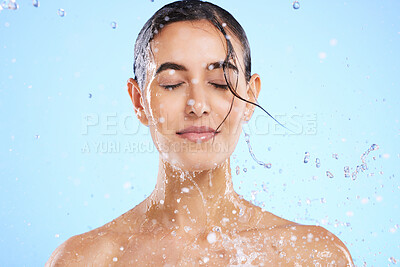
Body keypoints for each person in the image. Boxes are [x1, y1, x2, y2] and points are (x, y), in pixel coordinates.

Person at [46, 0, 354, 265]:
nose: (197, 105)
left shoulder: (312, 256)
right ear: (139, 101)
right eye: (171, 83)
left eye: (220, 83)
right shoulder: (85, 259)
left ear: (250, 98)